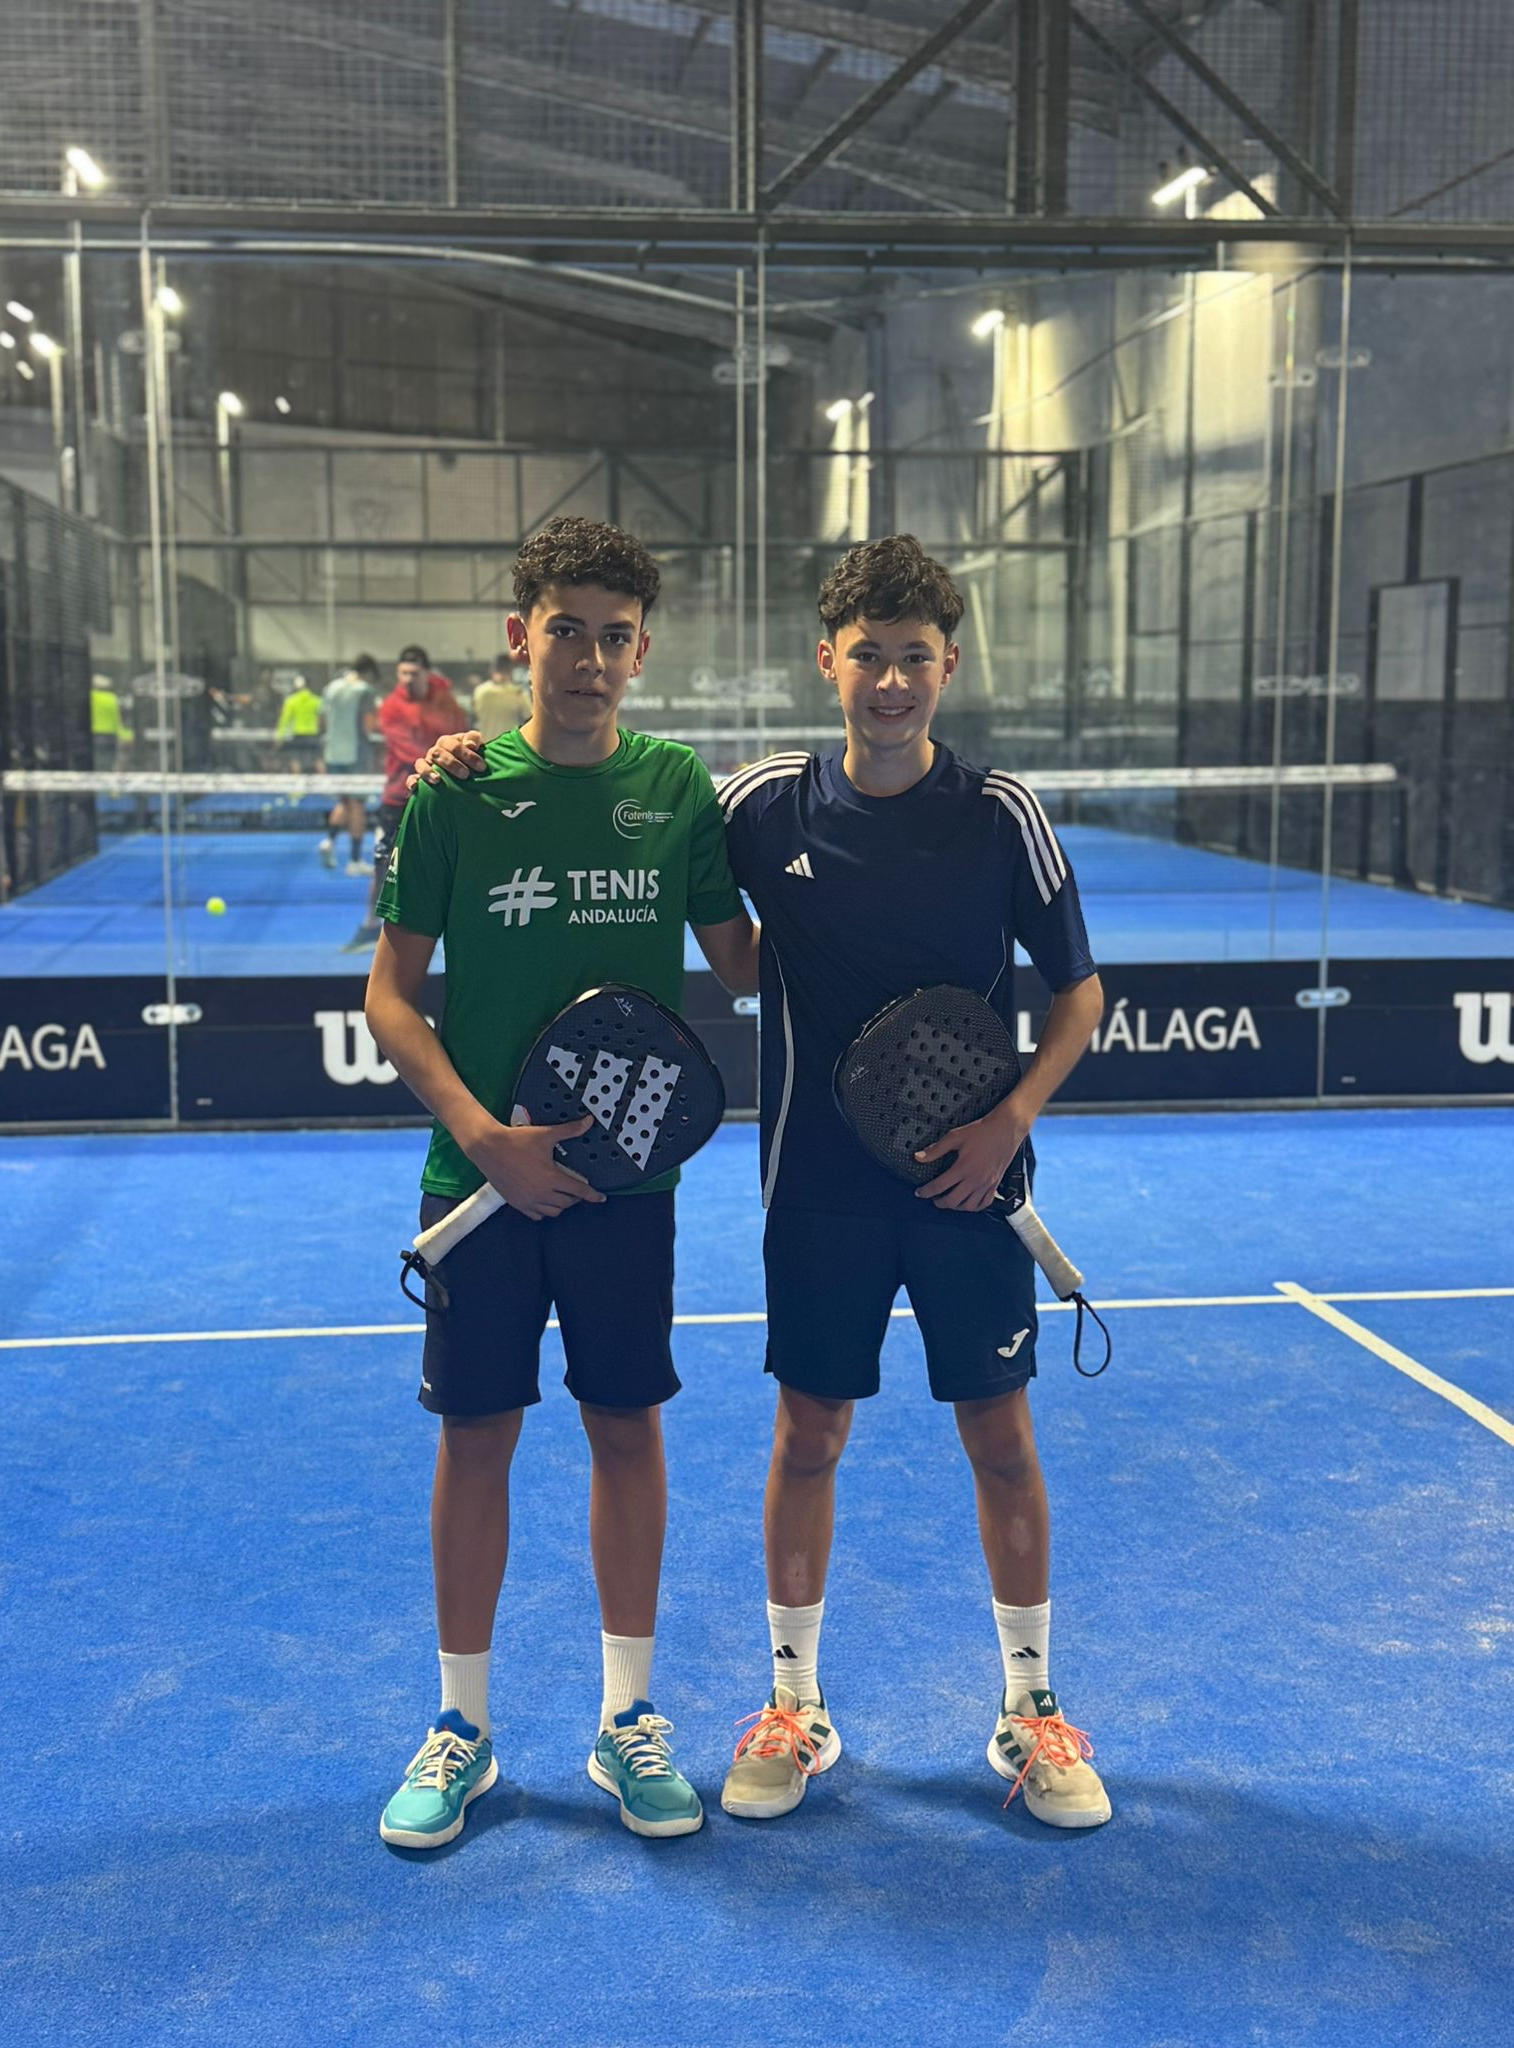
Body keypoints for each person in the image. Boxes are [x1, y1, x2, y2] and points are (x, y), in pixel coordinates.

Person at [363, 516, 756, 1851]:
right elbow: (391, 995)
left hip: (622, 1186)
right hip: (476, 1180)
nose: (589, 658)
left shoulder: (677, 788)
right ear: (518, 637)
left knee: (625, 1426)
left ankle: (627, 1718)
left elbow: (747, 960)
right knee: (476, 1436)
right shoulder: (455, 791)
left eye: (615, 636)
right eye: (566, 630)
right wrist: (485, 1137)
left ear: (643, 650)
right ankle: (461, 1728)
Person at [712, 535, 1109, 1829]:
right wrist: (467, 753)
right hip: (817, 1189)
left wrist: (1009, 1122)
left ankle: (1031, 1707)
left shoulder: (1001, 815)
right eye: (868, 656)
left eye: (915, 658)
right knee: (808, 1434)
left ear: (951, 666)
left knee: (1000, 1435)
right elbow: (630, 808)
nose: (891, 682)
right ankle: (795, 1705)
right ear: (826, 661)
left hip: (967, 1188)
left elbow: (1080, 993)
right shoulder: (761, 806)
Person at [342, 646, 462, 952]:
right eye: (403, 674)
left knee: (451, 868)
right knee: (385, 866)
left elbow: (458, 733)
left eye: (413, 673)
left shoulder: (445, 700)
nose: (407, 679)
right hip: (399, 799)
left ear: (426, 673)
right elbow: (408, 750)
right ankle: (371, 926)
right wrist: (439, 759)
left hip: (443, 796)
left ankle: (452, 933)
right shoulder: (391, 707)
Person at [319, 654, 378, 875]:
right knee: (358, 805)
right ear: (369, 673)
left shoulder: (331, 688)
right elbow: (368, 726)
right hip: (356, 755)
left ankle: (328, 841)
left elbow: (322, 720)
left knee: (345, 802)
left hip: (332, 754)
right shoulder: (365, 690)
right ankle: (354, 860)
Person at [471, 654, 530, 742]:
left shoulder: (480, 691)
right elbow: (529, 717)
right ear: (510, 671)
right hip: (508, 744)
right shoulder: (517, 693)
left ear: (492, 671)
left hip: (486, 743)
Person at [275, 671, 324, 770]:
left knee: (295, 760)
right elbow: (322, 717)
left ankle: (297, 778)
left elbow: (284, 720)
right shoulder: (316, 700)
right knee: (317, 759)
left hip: (297, 733)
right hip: (312, 733)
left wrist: (279, 736)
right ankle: (324, 778)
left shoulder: (291, 700)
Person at [89, 674, 132, 771]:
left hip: (94, 734)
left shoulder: (90, 697)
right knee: (108, 762)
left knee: (95, 762)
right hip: (109, 735)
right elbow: (117, 719)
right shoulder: (111, 698)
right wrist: (124, 735)